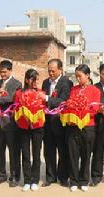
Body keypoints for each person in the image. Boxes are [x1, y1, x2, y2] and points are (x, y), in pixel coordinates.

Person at [60, 64, 101, 192]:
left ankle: (84, 180)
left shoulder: (95, 90)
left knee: (85, 154)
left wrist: (82, 112)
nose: (78, 79)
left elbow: (95, 109)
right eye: (76, 76)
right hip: (73, 126)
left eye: (80, 76)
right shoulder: (73, 90)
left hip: (88, 126)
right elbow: (69, 104)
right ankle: (73, 180)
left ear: (87, 76)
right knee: (73, 154)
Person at [41, 59, 72, 187]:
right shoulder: (45, 83)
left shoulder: (67, 83)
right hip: (47, 122)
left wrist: (47, 98)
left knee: (62, 150)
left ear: (60, 69)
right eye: (49, 70)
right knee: (48, 151)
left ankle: (63, 177)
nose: (51, 73)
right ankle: (50, 177)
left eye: (53, 70)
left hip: (60, 122)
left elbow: (63, 101)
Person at [13, 69, 46, 192]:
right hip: (23, 127)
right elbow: (15, 110)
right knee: (26, 155)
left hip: (37, 127)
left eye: (37, 79)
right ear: (26, 80)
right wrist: (25, 118)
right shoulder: (18, 94)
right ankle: (27, 180)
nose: (35, 82)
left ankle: (35, 180)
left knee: (36, 154)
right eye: (33, 79)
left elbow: (44, 109)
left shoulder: (41, 93)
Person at [0, 60, 22, 187]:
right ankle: (1, 175)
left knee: (13, 150)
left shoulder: (17, 84)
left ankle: (15, 176)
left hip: (11, 123)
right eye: (1, 72)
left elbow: (11, 99)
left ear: (10, 70)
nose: (2, 74)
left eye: (4, 72)